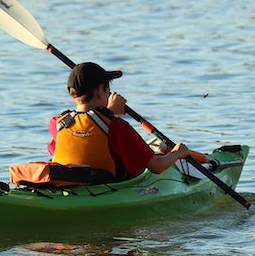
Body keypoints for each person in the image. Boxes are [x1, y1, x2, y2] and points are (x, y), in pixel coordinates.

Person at [47, 62, 192, 182]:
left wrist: (107, 112)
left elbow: (84, 136)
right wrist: (178, 153)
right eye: (108, 89)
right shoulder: (117, 126)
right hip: (106, 186)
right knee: (157, 158)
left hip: (68, 184)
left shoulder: (56, 124)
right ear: (100, 90)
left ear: (72, 94)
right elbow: (157, 167)